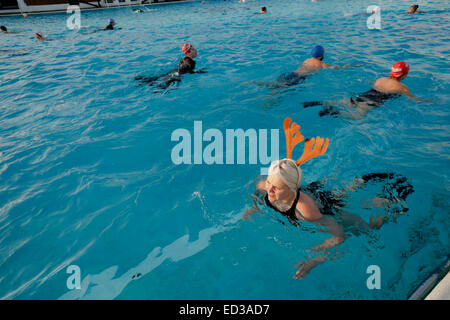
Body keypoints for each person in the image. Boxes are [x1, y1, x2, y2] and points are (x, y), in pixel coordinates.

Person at [244, 117, 413, 278]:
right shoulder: (267, 186)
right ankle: (354, 186)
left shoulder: (307, 210)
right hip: (311, 191)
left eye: (276, 188)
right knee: (341, 192)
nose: (270, 191)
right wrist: (254, 207)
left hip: (326, 205)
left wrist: (315, 259)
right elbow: (258, 191)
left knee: (364, 230)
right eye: (269, 183)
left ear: (293, 188)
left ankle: (384, 211)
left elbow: (339, 236)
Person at [303, 61, 431, 119]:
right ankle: (333, 113)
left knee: (344, 101)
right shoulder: (402, 87)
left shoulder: (380, 79)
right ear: (404, 75)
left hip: (363, 95)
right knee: (357, 117)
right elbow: (414, 100)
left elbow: (370, 83)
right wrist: (428, 101)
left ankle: (319, 102)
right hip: (372, 102)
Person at [135, 43, 205, 91]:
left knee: (157, 79)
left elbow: (181, 67)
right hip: (176, 75)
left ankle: (142, 79)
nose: (196, 50)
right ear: (188, 52)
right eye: (193, 49)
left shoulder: (183, 59)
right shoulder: (191, 62)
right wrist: (200, 71)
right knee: (163, 87)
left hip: (173, 72)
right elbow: (190, 72)